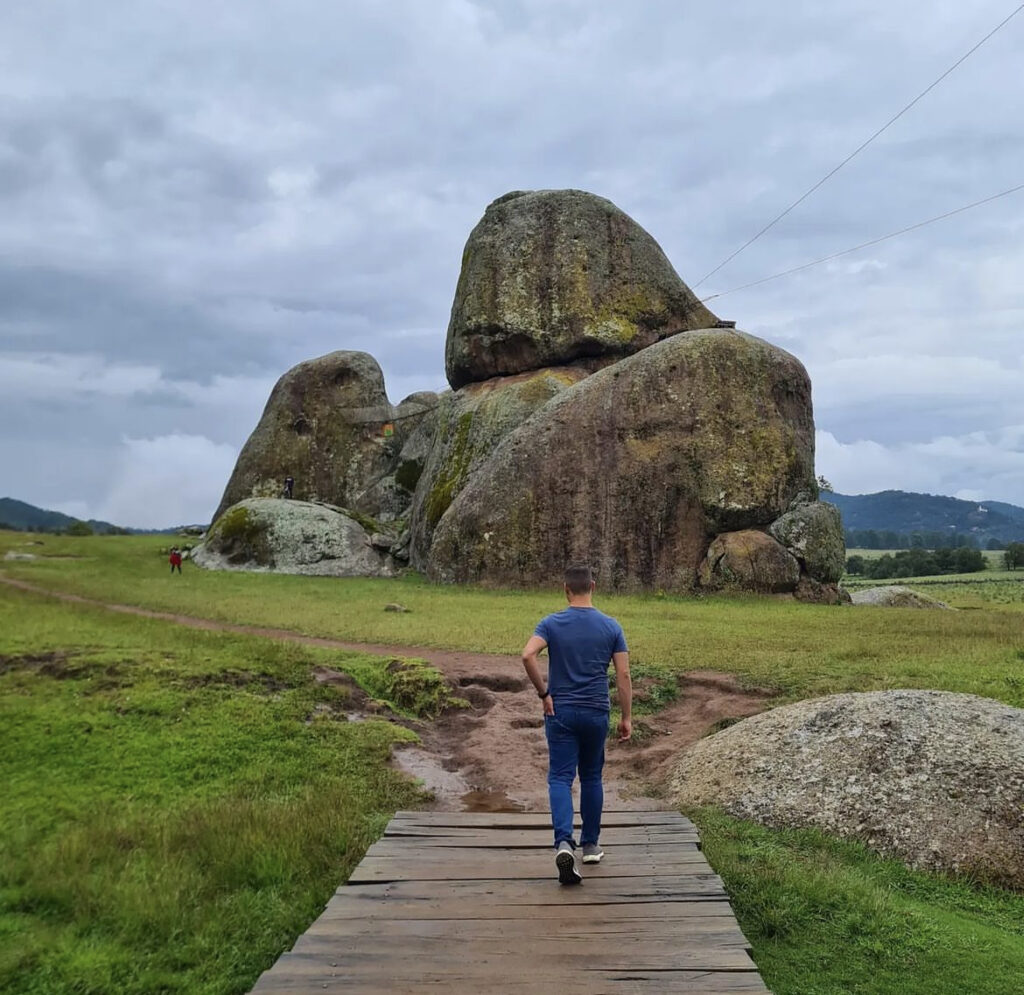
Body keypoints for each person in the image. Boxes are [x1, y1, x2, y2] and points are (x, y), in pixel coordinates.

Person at [521, 563, 632, 885]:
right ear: (593, 586)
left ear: (566, 589)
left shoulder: (551, 623)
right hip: (596, 711)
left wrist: (544, 693)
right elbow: (623, 675)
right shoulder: (611, 626)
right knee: (592, 775)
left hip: (561, 712)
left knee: (560, 776)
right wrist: (626, 717)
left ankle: (563, 842)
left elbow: (528, 655)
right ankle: (592, 845)